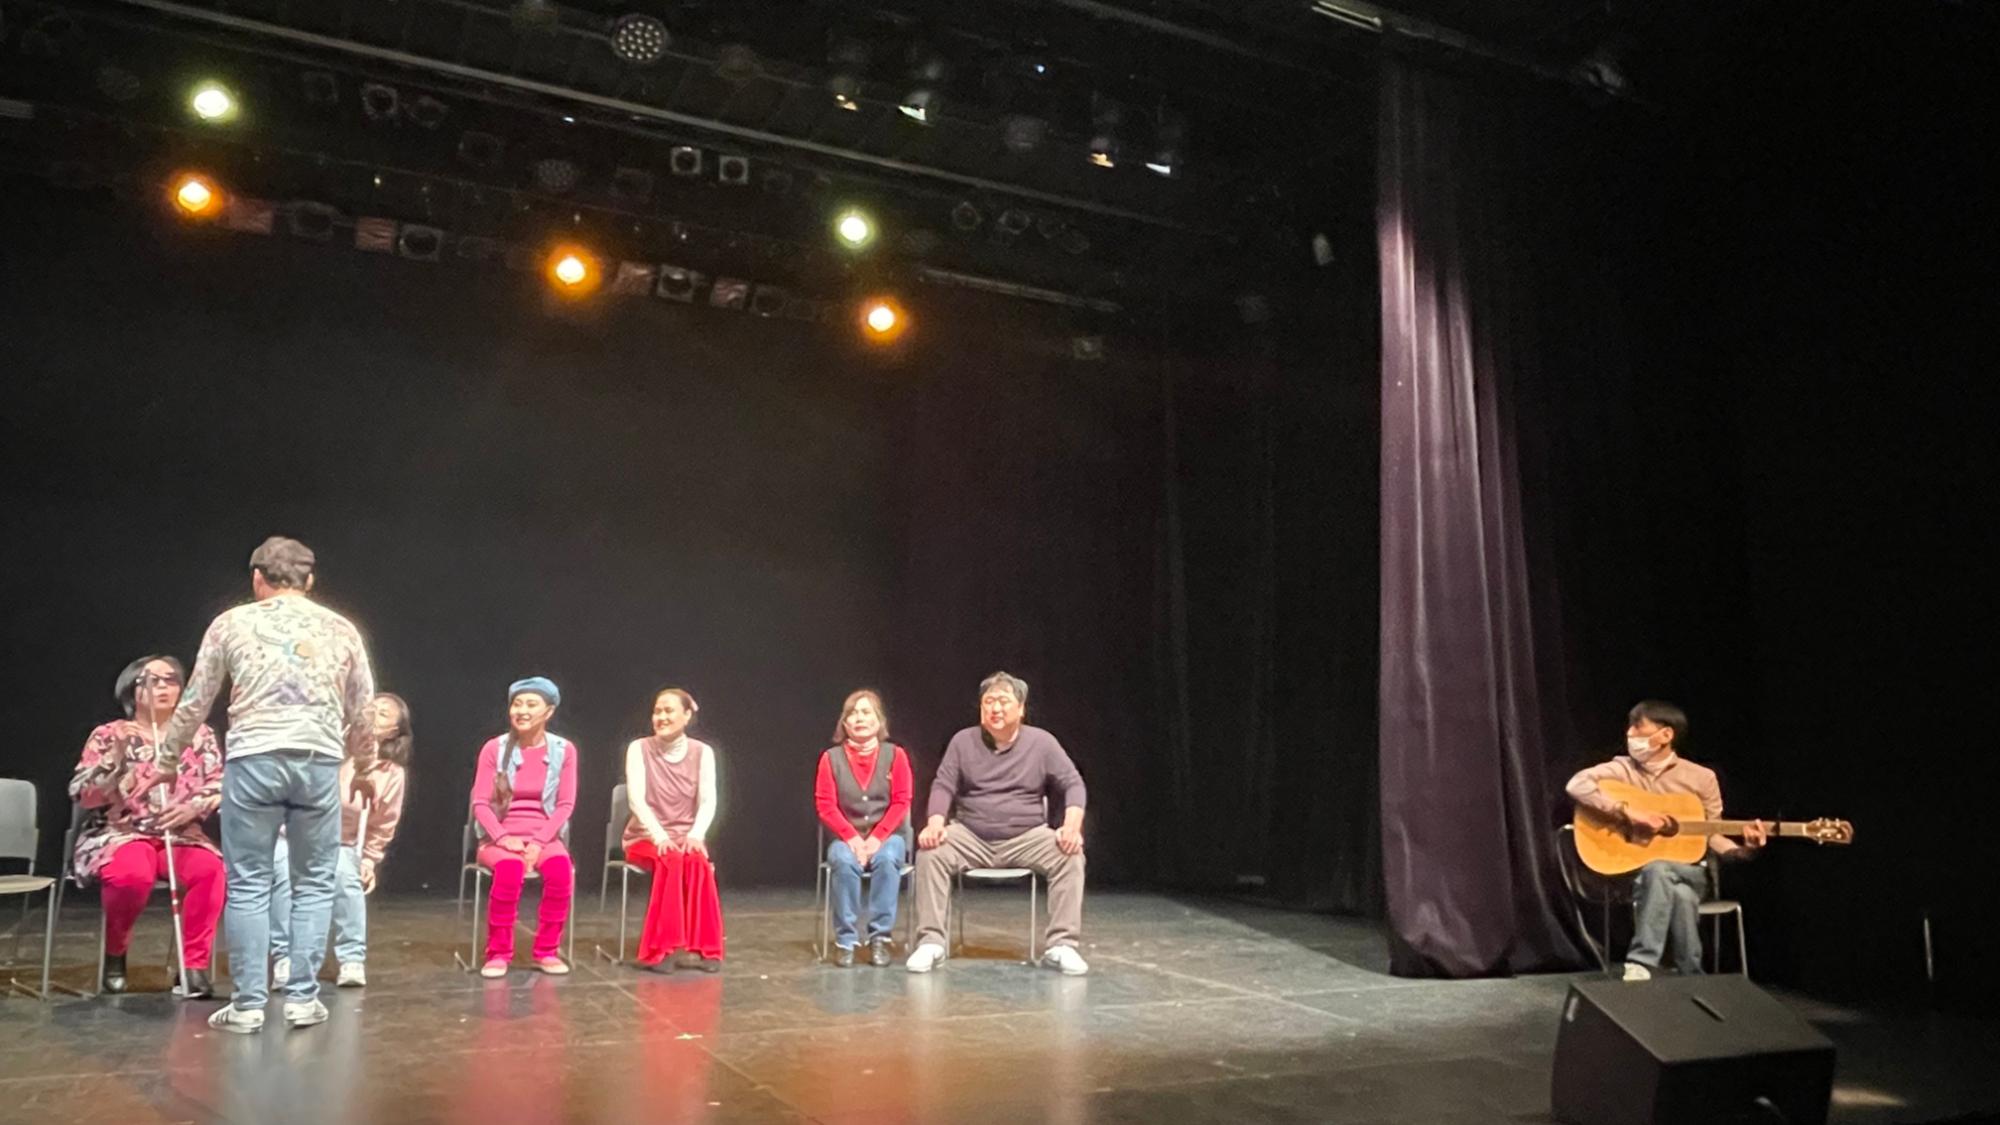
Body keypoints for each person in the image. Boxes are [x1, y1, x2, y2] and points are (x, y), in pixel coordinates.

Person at [159, 536, 377, 1033]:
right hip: (318, 762)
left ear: (257, 578)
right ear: (310, 580)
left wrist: (169, 759)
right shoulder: (341, 628)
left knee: (249, 883)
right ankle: (302, 999)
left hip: (253, 760)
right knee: (315, 881)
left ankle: (248, 1005)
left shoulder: (231, 623)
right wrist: (365, 768)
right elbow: (363, 708)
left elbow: (196, 700)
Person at [1566, 700, 1768, 981]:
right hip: (1635, 876)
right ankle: (1692, 976)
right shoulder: (1623, 769)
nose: (1630, 733)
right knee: (1677, 893)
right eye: (1630, 726)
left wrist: (1745, 850)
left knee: (1661, 871)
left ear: (1666, 735)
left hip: (1691, 871)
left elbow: (1712, 834)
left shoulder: (1701, 778)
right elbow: (1577, 784)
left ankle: (1641, 962)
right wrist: (1628, 812)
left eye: (1638, 726)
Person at [906, 671, 1089, 976]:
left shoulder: (1042, 742)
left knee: (1069, 855)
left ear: (1021, 709)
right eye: (988, 702)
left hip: (1026, 836)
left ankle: (1062, 945)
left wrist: (1071, 826)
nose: (995, 708)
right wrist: (935, 823)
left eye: (1003, 701)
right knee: (931, 852)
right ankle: (931, 942)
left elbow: (1073, 783)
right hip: (971, 835)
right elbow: (943, 785)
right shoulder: (962, 741)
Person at [67, 655, 226, 998]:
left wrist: (193, 807)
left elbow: (218, 783)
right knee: (131, 875)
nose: (163, 687)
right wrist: (115, 755)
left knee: (211, 871)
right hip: (121, 833)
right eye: (151, 681)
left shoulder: (199, 735)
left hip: (179, 834)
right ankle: (115, 953)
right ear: (131, 690)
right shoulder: (108, 734)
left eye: (171, 680)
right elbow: (84, 794)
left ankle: (193, 967)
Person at [268, 692, 411, 988]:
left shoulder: (390, 774)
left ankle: (351, 958)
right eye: (371, 708)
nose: (373, 715)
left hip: (340, 842)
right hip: (293, 835)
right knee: (282, 873)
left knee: (347, 878)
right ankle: (286, 957)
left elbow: (383, 823)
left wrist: (369, 860)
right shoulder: (327, 747)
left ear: (393, 732)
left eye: (383, 714)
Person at [470, 676, 578, 978]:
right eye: (517, 704)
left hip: (545, 836)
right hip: (499, 837)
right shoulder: (494, 749)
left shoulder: (564, 750)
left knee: (560, 870)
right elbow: (480, 804)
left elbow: (565, 804)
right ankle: (498, 953)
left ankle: (547, 950)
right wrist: (504, 838)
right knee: (510, 869)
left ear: (549, 711)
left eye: (531, 704)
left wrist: (539, 842)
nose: (522, 711)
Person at [621, 687, 724, 972]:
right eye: (657, 711)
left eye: (669, 711)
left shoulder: (703, 752)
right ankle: (660, 949)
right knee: (672, 859)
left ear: (687, 716)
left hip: (684, 836)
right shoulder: (639, 749)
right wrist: (660, 837)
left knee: (698, 862)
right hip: (645, 837)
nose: (661, 717)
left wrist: (696, 835)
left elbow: (708, 800)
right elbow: (636, 800)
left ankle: (707, 949)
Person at [813, 689, 913, 967]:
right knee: (843, 860)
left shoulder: (896, 755)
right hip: (846, 837)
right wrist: (853, 839)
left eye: (866, 712)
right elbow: (826, 806)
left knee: (888, 858)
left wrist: (877, 838)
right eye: (853, 713)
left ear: (879, 720)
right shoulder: (830, 759)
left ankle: (880, 937)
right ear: (844, 723)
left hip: (888, 836)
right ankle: (846, 940)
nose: (859, 718)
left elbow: (901, 801)